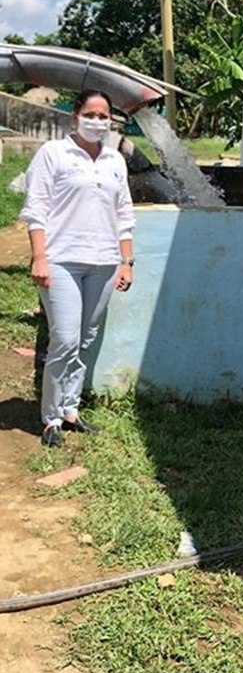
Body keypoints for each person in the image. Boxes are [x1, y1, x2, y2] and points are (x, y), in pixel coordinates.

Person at [19, 89, 135, 448]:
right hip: (61, 260)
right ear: (75, 116)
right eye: (91, 114)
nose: (98, 121)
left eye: (104, 116)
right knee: (65, 338)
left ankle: (71, 409)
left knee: (86, 338)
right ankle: (51, 417)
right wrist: (39, 257)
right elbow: (35, 209)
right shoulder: (54, 154)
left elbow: (124, 214)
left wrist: (127, 261)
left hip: (104, 262)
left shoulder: (115, 160)